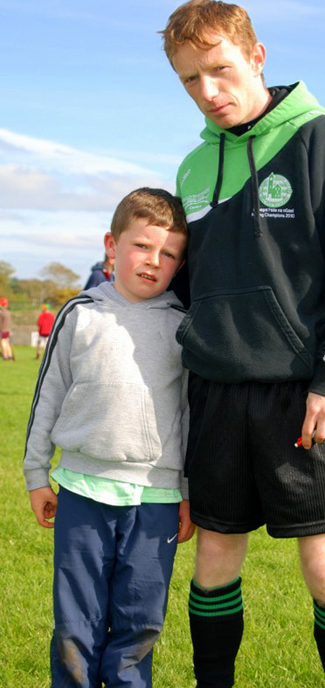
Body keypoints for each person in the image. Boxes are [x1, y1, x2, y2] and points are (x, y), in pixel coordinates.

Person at [160, 0, 325, 688]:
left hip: (309, 395)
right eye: (190, 81)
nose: (208, 93)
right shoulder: (193, 169)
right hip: (218, 397)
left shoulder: (321, 137)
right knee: (215, 560)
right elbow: (186, 288)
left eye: (220, 71)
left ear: (257, 57)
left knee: (324, 567)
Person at [23, 187, 195, 687]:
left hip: (156, 500)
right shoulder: (79, 315)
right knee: (75, 626)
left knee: (139, 624)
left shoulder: (183, 327)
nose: (153, 261)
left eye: (168, 254)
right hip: (82, 490)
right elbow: (47, 396)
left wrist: (189, 492)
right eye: (142, 246)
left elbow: (190, 415)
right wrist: (37, 474)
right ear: (111, 245)